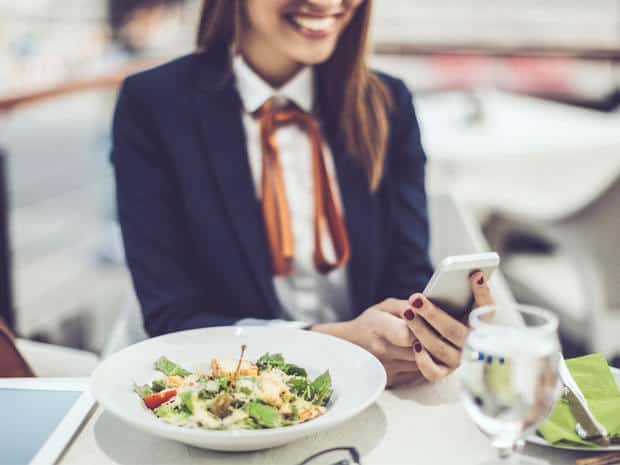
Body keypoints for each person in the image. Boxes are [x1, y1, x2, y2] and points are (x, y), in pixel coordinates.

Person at [111, 0, 494, 386]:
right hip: (229, 401)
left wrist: (422, 332)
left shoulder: (388, 102)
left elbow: (405, 274)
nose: (328, 3)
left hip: (369, 393)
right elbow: (173, 319)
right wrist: (330, 344)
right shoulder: (154, 106)